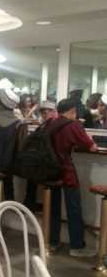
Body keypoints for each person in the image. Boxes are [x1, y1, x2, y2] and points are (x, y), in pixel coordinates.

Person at [46, 98, 97, 256]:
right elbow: (91, 147)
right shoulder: (73, 125)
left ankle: (52, 243)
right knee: (73, 209)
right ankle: (76, 247)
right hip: (66, 172)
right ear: (72, 111)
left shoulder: (50, 123)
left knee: (53, 208)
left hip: (50, 172)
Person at [0, 86, 26, 200]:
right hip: (9, 168)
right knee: (8, 177)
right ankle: (9, 204)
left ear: (2, 104)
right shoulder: (20, 125)